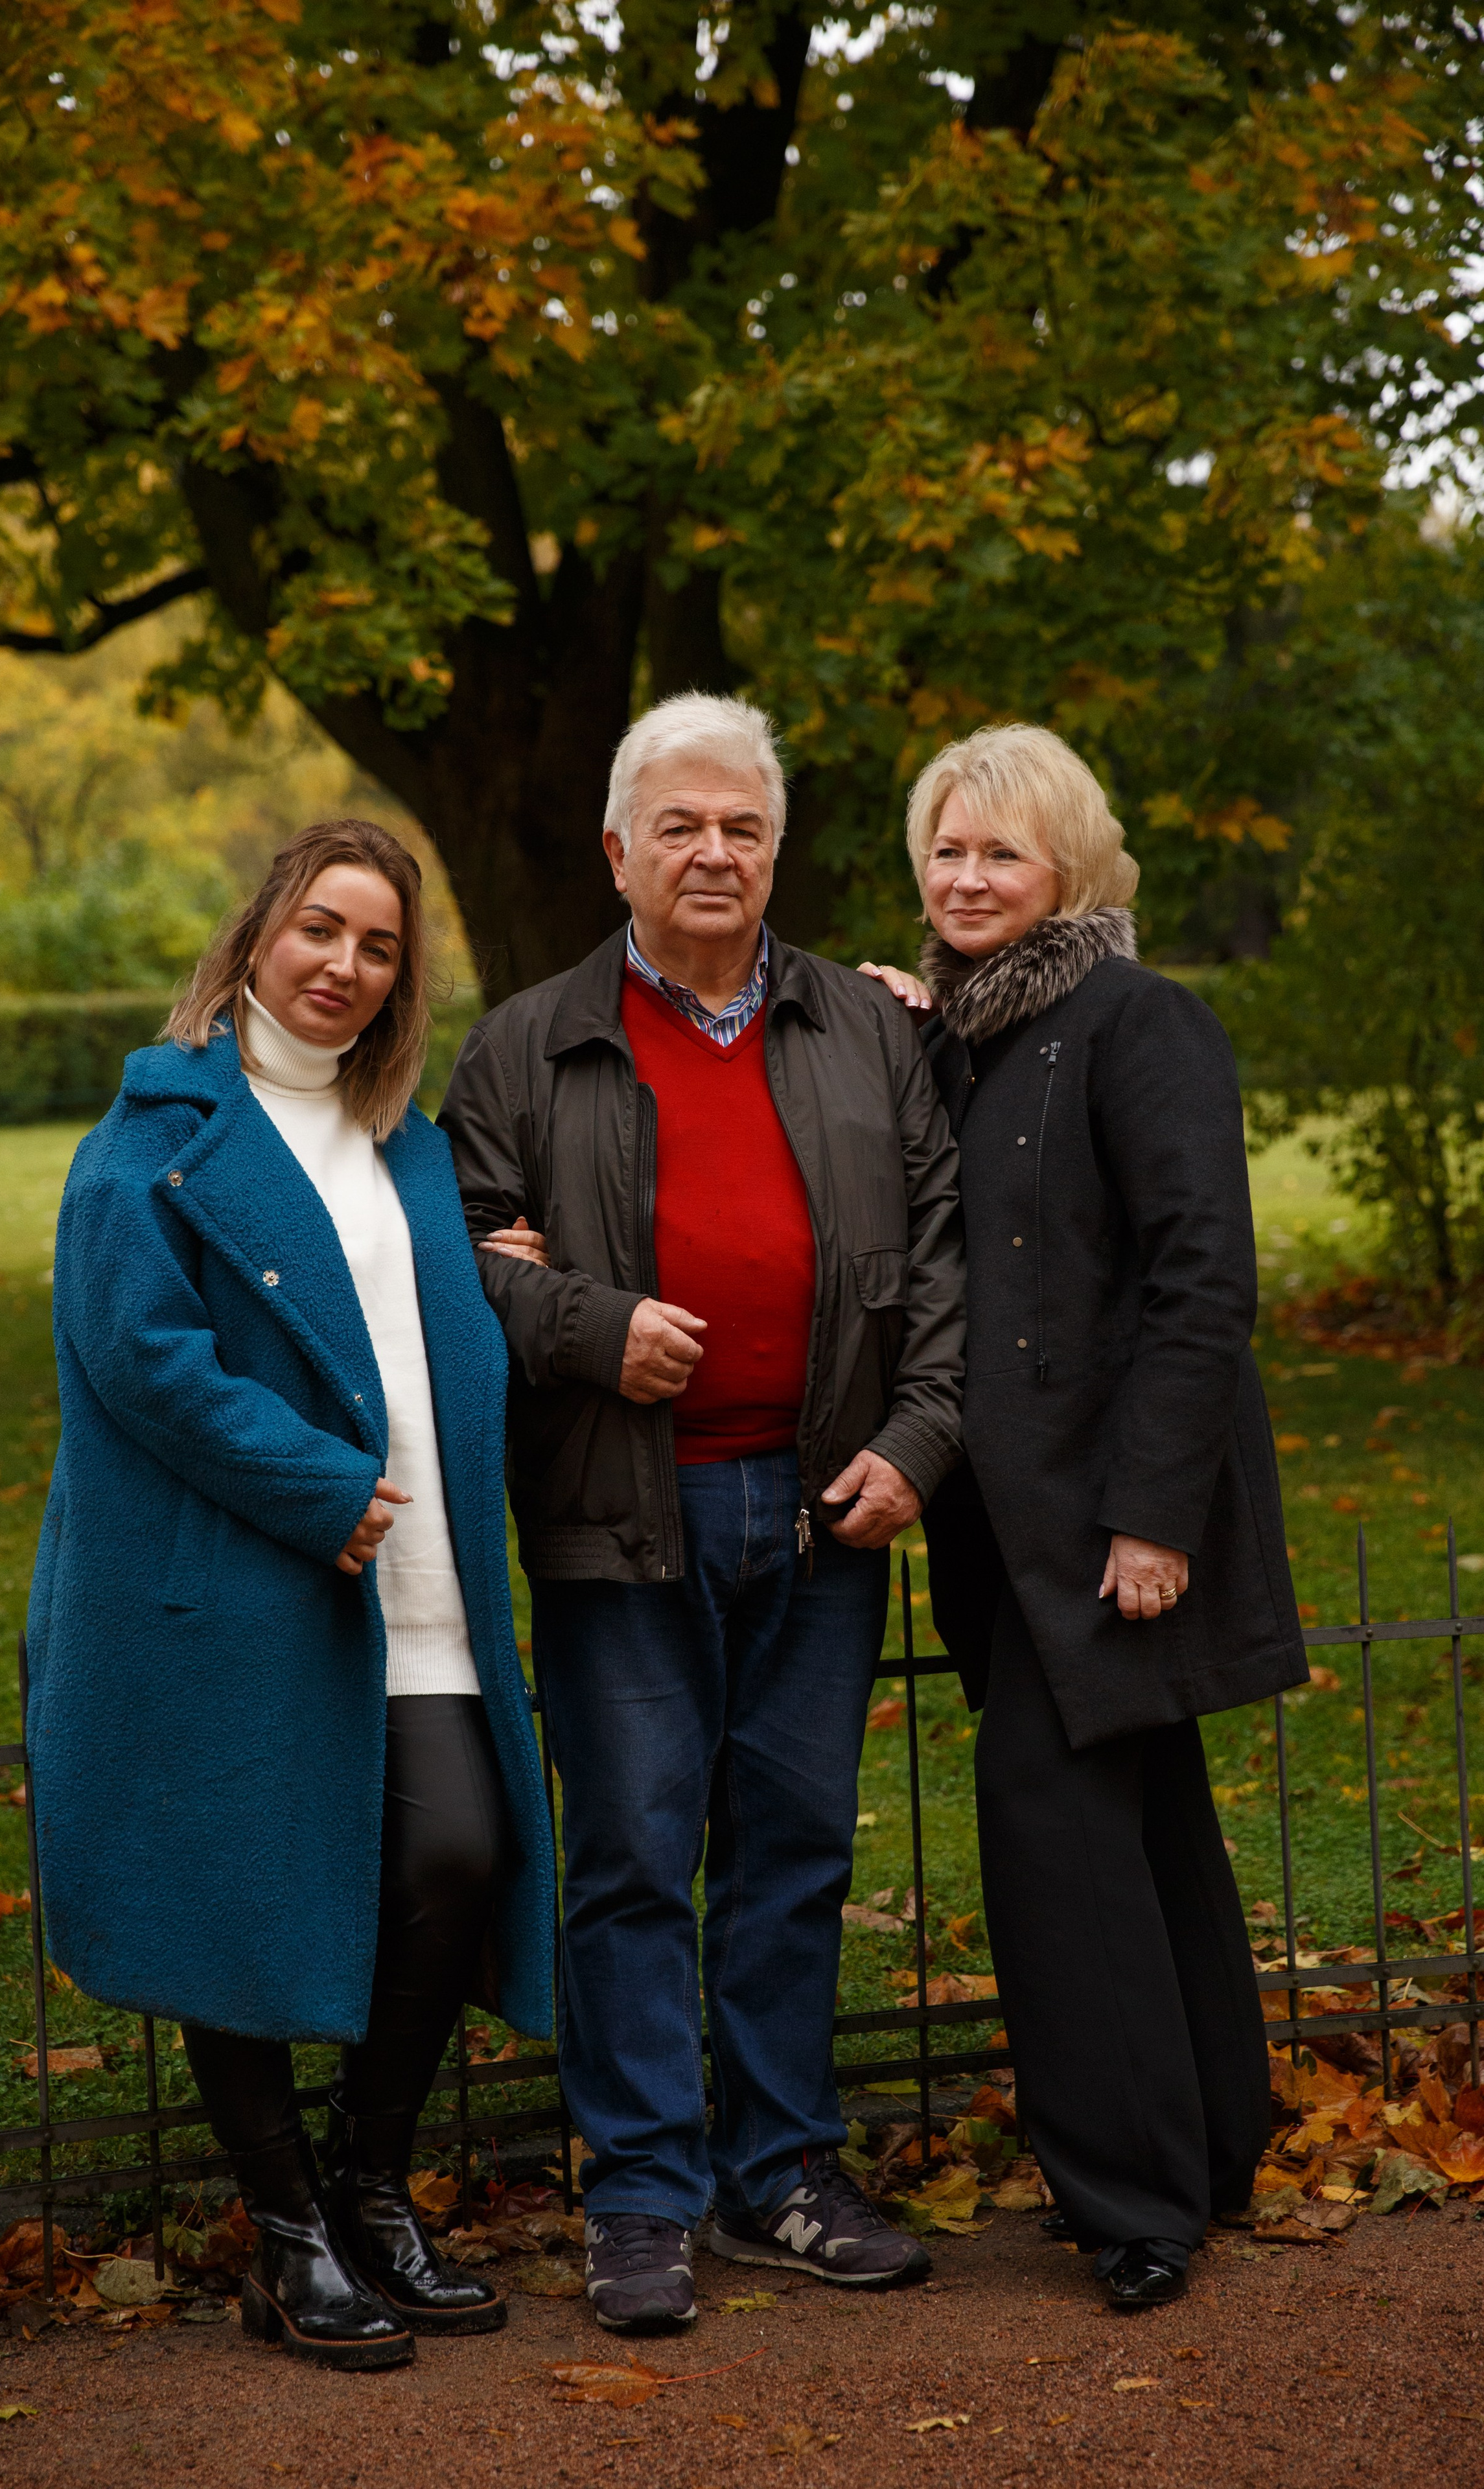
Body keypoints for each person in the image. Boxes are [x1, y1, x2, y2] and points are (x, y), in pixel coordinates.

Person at [438, 692, 966, 2333]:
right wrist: (587, 1326)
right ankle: (644, 2197)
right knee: (630, 1862)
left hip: (824, 1514)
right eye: (679, 825)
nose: (713, 852)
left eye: (742, 826)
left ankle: (781, 2174)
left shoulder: (868, 1028)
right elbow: (453, 1262)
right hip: (620, 1517)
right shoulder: (524, 1044)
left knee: (794, 1857)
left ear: (776, 851)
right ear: (618, 851)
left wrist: (919, 1441)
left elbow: (944, 1259)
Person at [25, 819, 557, 2370]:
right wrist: (315, 1489)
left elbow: (407, 1321)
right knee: (240, 1890)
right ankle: (289, 2236)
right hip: (251, 1581)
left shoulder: (408, 1144)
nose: (343, 964)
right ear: (260, 934)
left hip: (421, 1577)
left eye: (379, 946)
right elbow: (139, 1357)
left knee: (457, 1857)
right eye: (321, 928)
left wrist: (494, 1276)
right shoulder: (156, 1133)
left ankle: (370, 2190)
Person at [861, 722, 1308, 2311]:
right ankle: (1213, 2146)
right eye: (945, 849)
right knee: (1146, 1821)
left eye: (1000, 852)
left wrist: (1152, 1518)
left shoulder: (1138, 1021)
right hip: (1005, 1533)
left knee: (1048, 1830)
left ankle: (1132, 2207)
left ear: (1069, 870)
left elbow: (1203, 1281)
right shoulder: (955, 1038)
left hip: (1115, 1524)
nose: (965, 877)